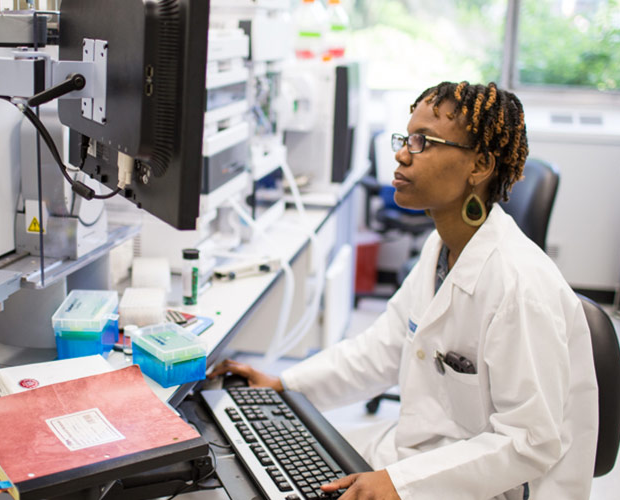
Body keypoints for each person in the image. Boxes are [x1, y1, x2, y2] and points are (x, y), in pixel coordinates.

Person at [209, 81, 599, 499]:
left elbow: (530, 442)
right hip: (421, 457)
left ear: (480, 165)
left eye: (422, 142)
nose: (400, 154)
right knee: (263, 471)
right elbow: (382, 348)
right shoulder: (443, 248)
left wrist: (399, 484)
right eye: (405, 138)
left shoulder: (520, 287)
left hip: (491, 487)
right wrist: (284, 385)